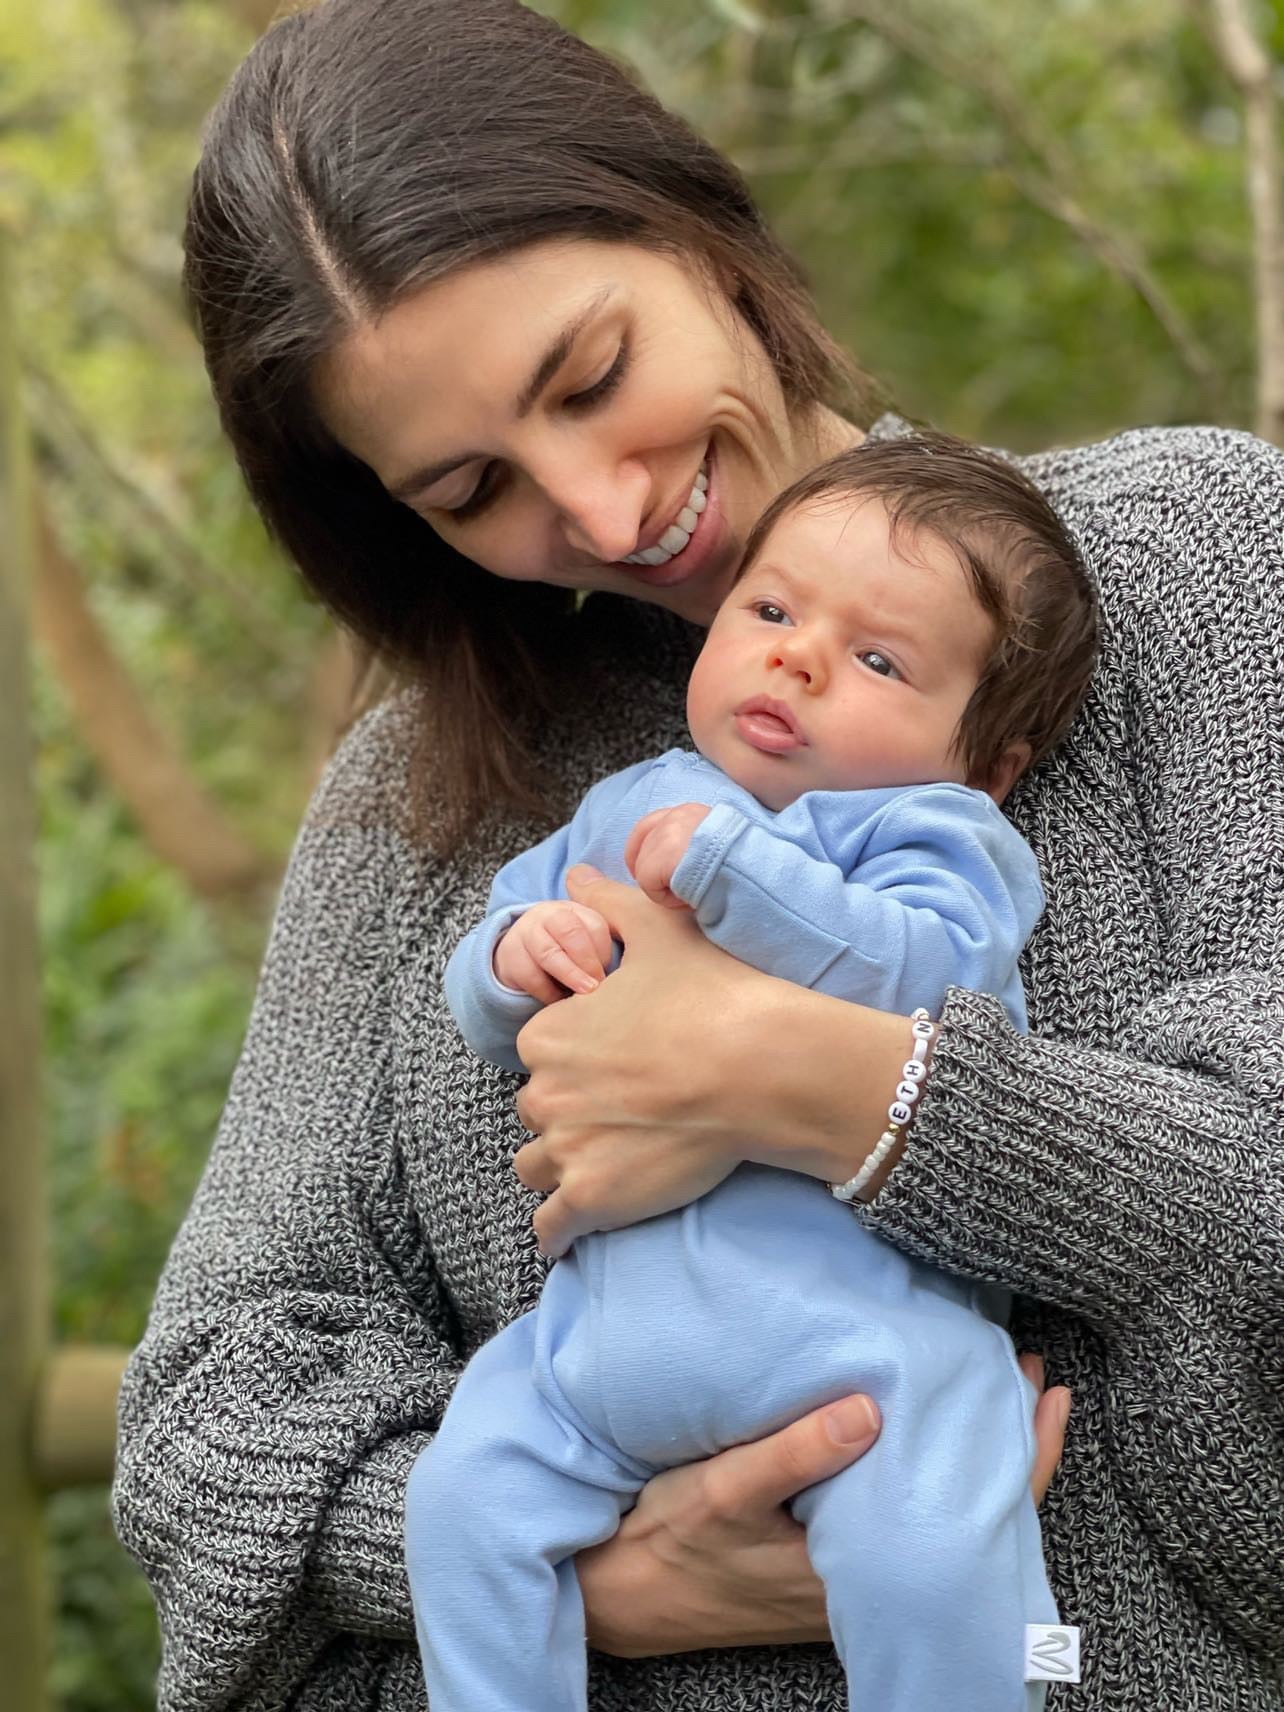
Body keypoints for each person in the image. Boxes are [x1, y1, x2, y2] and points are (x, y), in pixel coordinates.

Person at [111, 0, 1284, 1708]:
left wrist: (822, 1083)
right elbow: (211, 1414)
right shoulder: (420, 802)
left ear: (693, 228)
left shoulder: (1185, 562)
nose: (594, 509)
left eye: (587, 376)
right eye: (467, 488)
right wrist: (597, 1575)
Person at [409, 433, 1096, 1712]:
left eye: (880, 659)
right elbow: (488, 974)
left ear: (988, 759)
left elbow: (921, 974)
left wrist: (739, 867)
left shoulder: (936, 831)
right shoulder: (631, 799)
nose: (798, 654)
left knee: (938, 1553)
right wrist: (518, 955)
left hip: (866, 1350)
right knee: (458, 1502)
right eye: (771, 609)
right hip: (592, 1355)